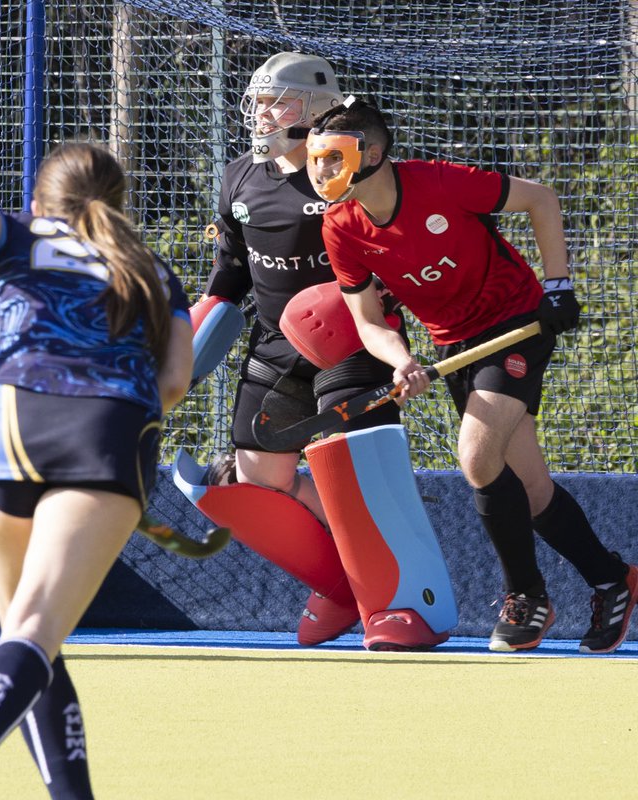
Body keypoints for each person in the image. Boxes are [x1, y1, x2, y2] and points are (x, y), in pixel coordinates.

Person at [0, 142, 193, 799]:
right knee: (38, 629)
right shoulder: (151, 269)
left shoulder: (15, 230)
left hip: (8, 421)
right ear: (119, 207)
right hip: (107, 427)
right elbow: (174, 381)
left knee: (30, 636)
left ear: (40, 201)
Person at [307, 96, 638, 653]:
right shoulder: (340, 227)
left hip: (516, 325)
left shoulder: (439, 183)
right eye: (315, 161)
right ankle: (614, 579)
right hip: (453, 345)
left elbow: (541, 199)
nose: (321, 172)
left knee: (476, 457)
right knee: (528, 486)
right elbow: (367, 321)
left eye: (332, 159)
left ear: (374, 153)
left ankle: (526, 596)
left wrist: (558, 286)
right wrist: (400, 361)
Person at [189, 52, 453, 650]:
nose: (260, 114)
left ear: (311, 108)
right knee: (257, 479)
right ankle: (341, 585)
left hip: (355, 337)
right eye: (255, 102)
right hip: (277, 344)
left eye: (273, 101)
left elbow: (397, 245)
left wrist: (390, 301)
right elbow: (230, 275)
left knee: (348, 464)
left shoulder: (342, 173)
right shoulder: (238, 178)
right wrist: (189, 336)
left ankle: (399, 604)